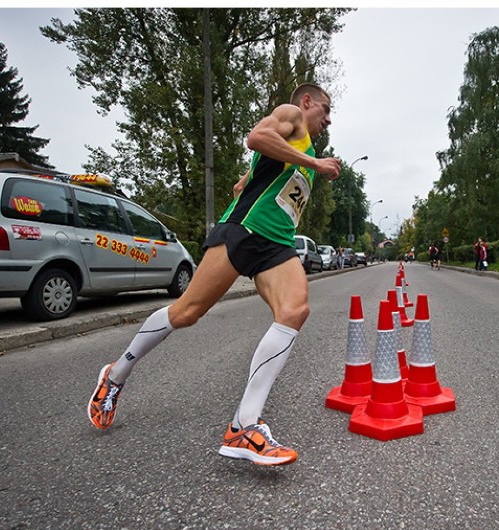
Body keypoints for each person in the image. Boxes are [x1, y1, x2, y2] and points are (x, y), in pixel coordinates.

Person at [88, 83, 341, 466]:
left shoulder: (301, 145)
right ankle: (116, 372)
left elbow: (267, 169)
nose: (328, 117)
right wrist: (313, 165)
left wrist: (246, 178)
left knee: (295, 309)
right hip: (244, 232)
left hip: (277, 244)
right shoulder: (292, 117)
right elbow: (257, 137)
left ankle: (244, 425)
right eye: (325, 108)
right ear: (306, 101)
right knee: (187, 312)